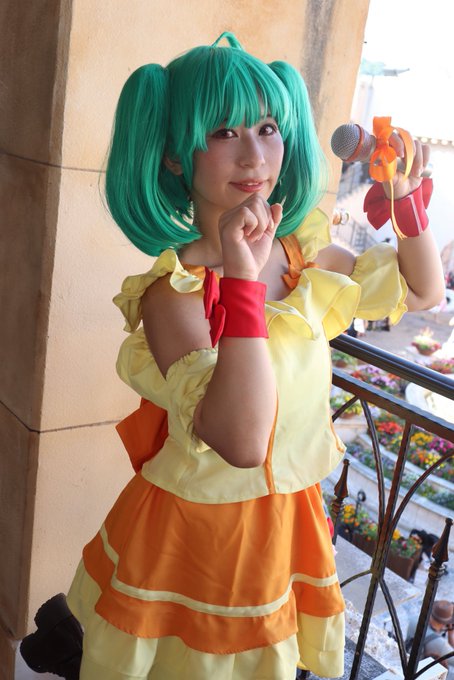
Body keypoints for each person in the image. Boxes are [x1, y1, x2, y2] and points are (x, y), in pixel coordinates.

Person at [21, 32, 445, 680]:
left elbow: (420, 293)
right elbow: (242, 442)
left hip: (287, 522)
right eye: (224, 132)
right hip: (195, 536)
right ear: (173, 157)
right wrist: (243, 282)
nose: (255, 154)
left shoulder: (302, 258)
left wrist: (407, 198)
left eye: (267, 128)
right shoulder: (172, 293)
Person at [406, 600, 454, 678]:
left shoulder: (415, 621)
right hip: (422, 674)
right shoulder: (440, 644)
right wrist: (451, 635)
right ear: (445, 623)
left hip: (409, 661)